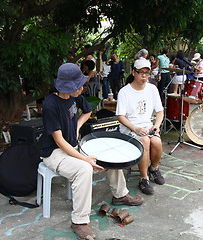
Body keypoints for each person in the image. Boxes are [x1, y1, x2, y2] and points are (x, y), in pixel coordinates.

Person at [41, 63, 143, 240]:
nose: (82, 88)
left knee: (106, 156)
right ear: (67, 87)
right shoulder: (50, 105)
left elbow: (87, 111)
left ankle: (120, 195)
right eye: (78, 85)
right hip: (54, 152)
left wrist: (77, 127)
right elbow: (59, 141)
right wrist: (84, 159)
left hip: (72, 145)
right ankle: (79, 221)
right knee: (84, 169)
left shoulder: (76, 96)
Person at [116, 58, 165, 195]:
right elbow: (120, 117)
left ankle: (154, 169)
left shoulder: (152, 89)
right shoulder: (124, 92)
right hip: (130, 128)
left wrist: (156, 125)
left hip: (147, 126)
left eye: (147, 73)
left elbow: (160, 111)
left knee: (156, 141)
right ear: (133, 72)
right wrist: (135, 128)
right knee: (144, 141)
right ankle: (144, 178)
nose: (144, 76)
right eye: (140, 72)